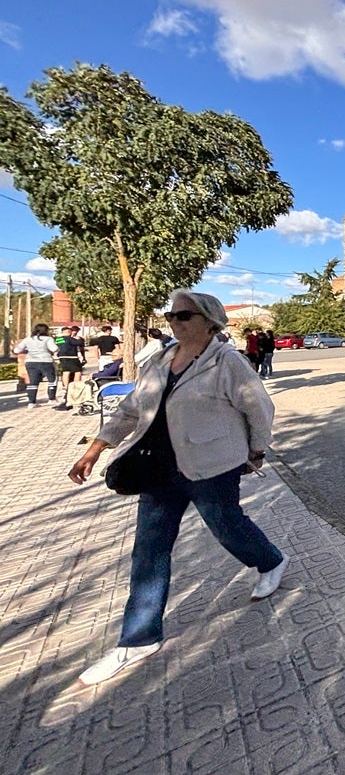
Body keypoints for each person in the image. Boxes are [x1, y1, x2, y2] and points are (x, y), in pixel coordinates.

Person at [67, 289, 289, 686]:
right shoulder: (158, 362)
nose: (174, 322)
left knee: (226, 527)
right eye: (172, 316)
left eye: (184, 316)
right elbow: (131, 408)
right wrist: (97, 447)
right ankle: (138, 638)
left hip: (212, 466)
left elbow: (259, 408)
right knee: (149, 550)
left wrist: (256, 451)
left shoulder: (229, 362)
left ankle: (270, 561)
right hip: (159, 470)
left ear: (209, 321)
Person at [15, 324, 60, 408]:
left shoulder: (27, 339)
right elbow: (54, 349)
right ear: (46, 330)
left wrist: (28, 350)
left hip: (31, 362)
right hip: (46, 361)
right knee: (52, 380)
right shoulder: (48, 339)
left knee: (33, 382)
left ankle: (31, 402)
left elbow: (16, 350)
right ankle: (51, 399)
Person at [54, 325, 88, 409]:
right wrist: (78, 338)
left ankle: (65, 386)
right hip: (72, 357)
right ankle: (76, 384)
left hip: (62, 357)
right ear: (69, 332)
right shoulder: (71, 339)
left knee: (65, 372)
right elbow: (80, 343)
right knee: (77, 371)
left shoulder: (58, 339)